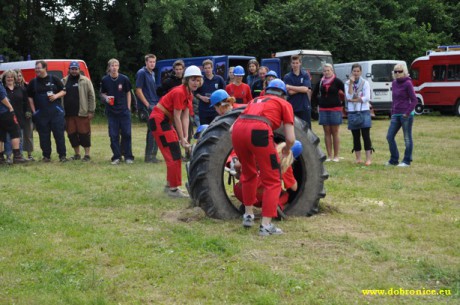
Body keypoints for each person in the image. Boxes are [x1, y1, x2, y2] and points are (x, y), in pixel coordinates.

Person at [231, 79, 295, 236]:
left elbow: (231, 128)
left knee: (248, 172)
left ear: (267, 91)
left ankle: (248, 215)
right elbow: (291, 138)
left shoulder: (254, 101)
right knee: (272, 180)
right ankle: (266, 225)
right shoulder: (284, 104)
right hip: (259, 131)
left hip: (237, 130)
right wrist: (286, 149)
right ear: (283, 94)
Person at [148, 65, 202, 198]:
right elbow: (177, 117)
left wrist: (185, 137)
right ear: (187, 80)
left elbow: (185, 116)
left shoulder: (189, 94)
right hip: (159, 120)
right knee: (174, 154)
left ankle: (170, 186)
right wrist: (181, 138)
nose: (196, 82)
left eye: (198, 80)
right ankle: (173, 189)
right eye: (193, 80)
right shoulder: (179, 92)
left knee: (175, 153)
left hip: (165, 120)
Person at [233, 141, 300, 212]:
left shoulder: (261, 151)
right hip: (261, 197)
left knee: (249, 182)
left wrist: (239, 173)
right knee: (284, 195)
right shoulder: (285, 166)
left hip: (241, 191)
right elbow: (294, 188)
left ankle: (246, 205)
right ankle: (277, 206)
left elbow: (237, 165)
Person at [27, 60, 67, 162]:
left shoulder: (54, 79)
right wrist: (34, 111)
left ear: (45, 68)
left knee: (59, 135)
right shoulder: (33, 82)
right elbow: (30, 98)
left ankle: (62, 156)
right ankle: (46, 156)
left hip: (56, 113)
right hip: (41, 114)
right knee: (44, 136)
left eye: (39, 68)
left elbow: (64, 91)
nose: (37, 70)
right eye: (36, 68)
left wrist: (56, 96)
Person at [100, 58, 134, 165]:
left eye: (116, 65)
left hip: (124, 111)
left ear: (118, 67)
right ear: (109, 67)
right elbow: (102, 93)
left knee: (127, 134)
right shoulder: (105, 80)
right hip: (112, 112)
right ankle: (116, 157)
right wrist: (106, 98)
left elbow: (129, 93)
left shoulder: (124, 79)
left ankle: (128, 156)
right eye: (112, 65)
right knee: (113, 135)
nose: (114, 68)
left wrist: (128, 107)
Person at [62, 61, 96, 162]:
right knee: (71, 135)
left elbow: (92, 96)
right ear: (69, 70)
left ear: (79, 70)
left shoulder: (85, 81)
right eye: (72, 69)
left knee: (84, 134)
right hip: (68, 114)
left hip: (82, 113)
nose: (74, 71)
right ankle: (77, 154)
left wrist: (91, 111)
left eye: (75, 69)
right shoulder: (63, 81)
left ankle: (87, 155)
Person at [386, 64, 417, 167]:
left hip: (406, 115)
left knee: (407, 138)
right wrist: (392, 112)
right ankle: (394, 160)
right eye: (395, 71)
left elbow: (414, 100)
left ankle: (406, 161)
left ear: (404, 71)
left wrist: (407, 113)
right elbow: (394, 99)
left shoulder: (408, 83)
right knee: (389, 137)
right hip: (396, 114)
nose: (397, 73)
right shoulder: (394, 83)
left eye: (399, 71)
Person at [312, 63, 345, 162]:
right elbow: (314, 94)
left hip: (335, 109)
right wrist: (317, 104)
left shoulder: (337, 81)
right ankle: (329, 155)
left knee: (335, 132)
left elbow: (346, 93)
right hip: (323, 110)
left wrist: (343, 104)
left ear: (332, 71)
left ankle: (336, 156)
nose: (326, 72)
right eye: (325, 71)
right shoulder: (320, 82)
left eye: (328, 70)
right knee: (326, 133)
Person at [345, 63, 373, 165]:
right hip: (353, 112)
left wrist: (355, 100)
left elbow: (367, 97)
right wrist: (351, 84)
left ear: (361, 72)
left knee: (366, 135)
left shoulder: (365, 83)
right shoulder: (347, 83)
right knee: (355, 136)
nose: (356, 73)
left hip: (364, 111)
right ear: (351, 72)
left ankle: (368, 159)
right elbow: (348, 96)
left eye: (358, 71)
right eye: (354, 71)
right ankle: (358, 158)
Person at [136, 54, 161, 163]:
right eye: (150, 62)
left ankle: (153, 156)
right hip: (147, 106)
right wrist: (147, 105)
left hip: (155, 104)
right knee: (152, 129)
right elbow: (138, 90)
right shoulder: (142, 73)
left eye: (154, 62)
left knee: (156, 130)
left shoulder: (153, 73)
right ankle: (149, 156)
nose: (152, 64)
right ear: (146, 62)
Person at [2, 70, 28, 163]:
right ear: (4, 79)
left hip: (19, 116)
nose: (10, 79)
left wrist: (28, 112)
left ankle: (19, 155)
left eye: (12, 77)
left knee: (19, 136)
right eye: (8, 77)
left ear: (15, 78)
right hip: (6, 116)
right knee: (8, 138)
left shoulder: (21, 88)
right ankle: (8, 156)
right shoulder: (3, 89)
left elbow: (26, 102)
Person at [284, 55, 312, 128]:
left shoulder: (305, 74)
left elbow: (306, 89)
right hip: (293, 107)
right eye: (293, 63)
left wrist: (290, 86)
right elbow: (290, 92)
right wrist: (301, 88)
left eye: (297, 63)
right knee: (295, 130)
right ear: (291, 64)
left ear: (300, 63)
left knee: (307, 130)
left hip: (304, 107)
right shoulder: (287, 76)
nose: (295, 65)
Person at [195, 59, 226, 124]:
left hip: (216, 110)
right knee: (204, 130)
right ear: (203, 69)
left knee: (215, 130)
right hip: (203, 110)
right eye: (205, 68)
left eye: (209, 68)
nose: (207, 70)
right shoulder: (200, 80)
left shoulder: (219, 79)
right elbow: (195, 92)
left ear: (212, 68)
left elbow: (224, 93)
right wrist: (201, 97)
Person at [15, 69, 34, 160]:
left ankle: (29, 154)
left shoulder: (27, 86)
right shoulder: (12, 87)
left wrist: (29, 111)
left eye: (19, 75)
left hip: (27, 112)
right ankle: (19, 154)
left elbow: (31, 99)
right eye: (16, 76)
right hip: (17, 113)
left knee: (28, 134)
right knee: (18, 135)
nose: (18, 78)